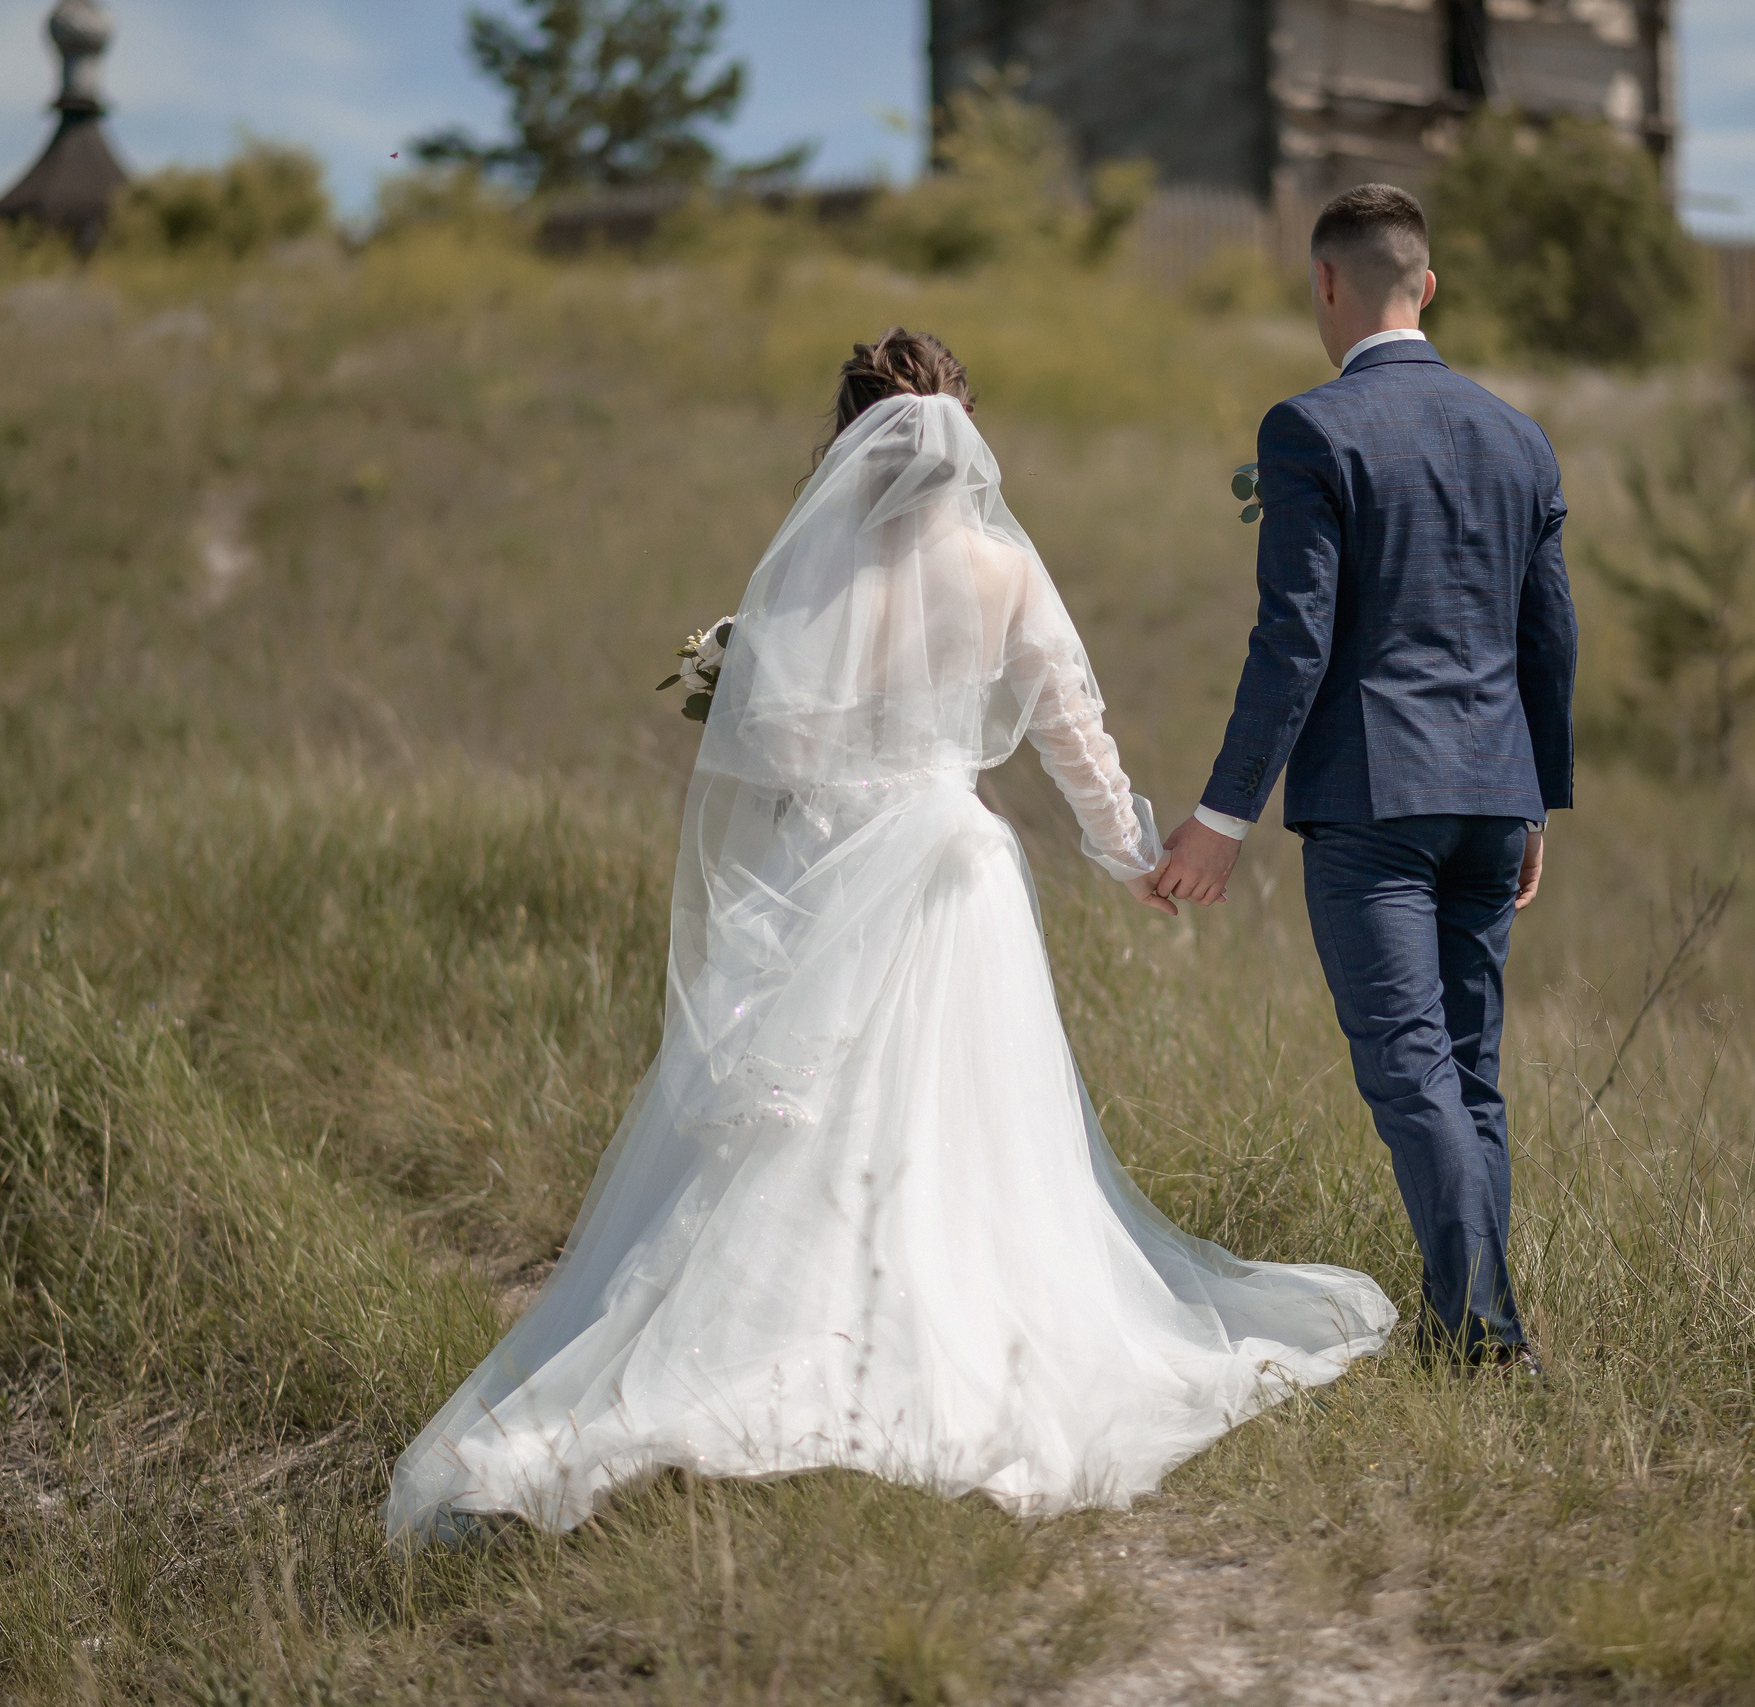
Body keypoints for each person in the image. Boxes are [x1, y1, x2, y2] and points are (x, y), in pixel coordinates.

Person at [383, 330, 1394, 1546]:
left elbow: (783, 758)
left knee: (801, 1126)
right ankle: (952, 1330)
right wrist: (1133, 855)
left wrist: (749, 711)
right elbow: (1072, 734)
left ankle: (765, 1337)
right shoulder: (1003, 570)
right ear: (965, 437)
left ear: (851, 442)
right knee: (967, 1129)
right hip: (957, 869)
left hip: (838, 872)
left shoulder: (813, 579)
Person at [1150, 185, 1578, 1373]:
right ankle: (1464, 1328)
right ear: (1426, 287)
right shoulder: (1519, 438)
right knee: (1467, 1075)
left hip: (1375, 802)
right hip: (1492, 796)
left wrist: (1221, 817)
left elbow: (1293, 642)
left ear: (1325, 283)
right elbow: (1550, 638)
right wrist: (1534, 800)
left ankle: (1487, 1339)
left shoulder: (1309, 429)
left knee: (1409, 1069)